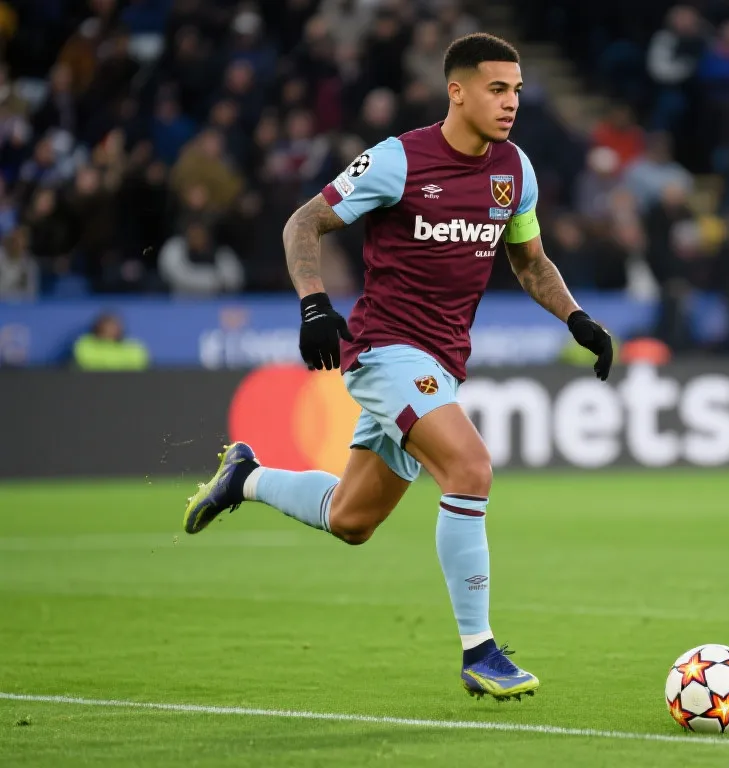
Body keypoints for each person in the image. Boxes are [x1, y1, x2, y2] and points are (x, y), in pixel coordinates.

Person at [181, 34, 612, 702]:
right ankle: (481, 652)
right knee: (470, 468)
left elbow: (529, 262)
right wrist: (315, 304)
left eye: (517, 91)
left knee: (351, 519)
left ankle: (247, 477)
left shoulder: (515, 170)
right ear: (457, 91)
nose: (511, 103)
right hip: (385, 350)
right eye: (497, 89)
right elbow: (303, 224)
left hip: (444, 360)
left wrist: (577, 318)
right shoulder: (398, 160)